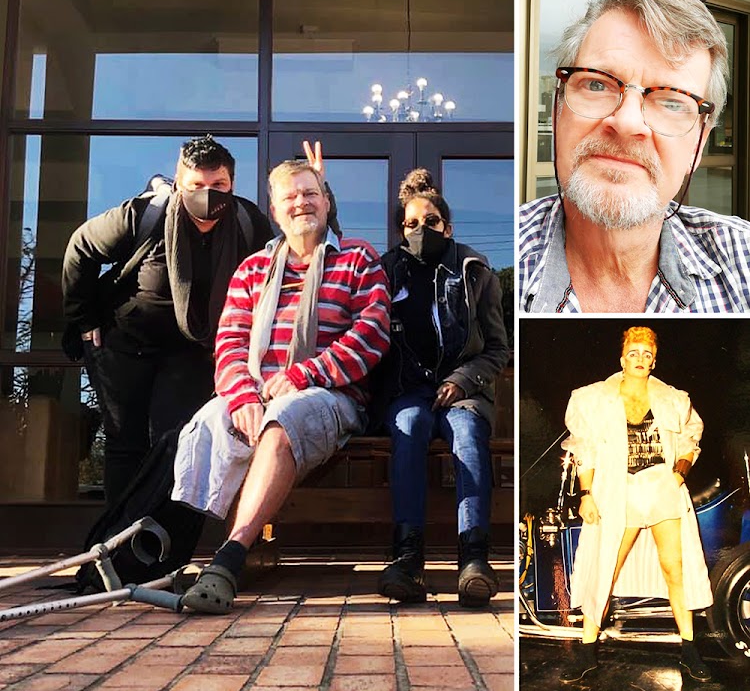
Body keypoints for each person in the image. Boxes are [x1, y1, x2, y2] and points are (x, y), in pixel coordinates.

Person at [171, 159, 390, 614]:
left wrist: (300, 375)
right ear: (275, 210)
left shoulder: (358, 259)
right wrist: (242, 396)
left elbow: (372, 333)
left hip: (330, 396)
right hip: (256, 390)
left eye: (310, 193)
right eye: (290, 197)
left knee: (283, 422)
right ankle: (183, 550)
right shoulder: (252, 269)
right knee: (207, 421)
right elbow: (229, 342)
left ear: (327, 202)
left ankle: (229, 558)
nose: (301, 203)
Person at [61, 136, 330, 504]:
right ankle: (117, 542)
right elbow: (80, 249)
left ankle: (158, 543)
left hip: (191, 352)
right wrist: (84, 316)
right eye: (196, 186)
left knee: (176, 442)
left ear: (231, 183)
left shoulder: (246, 222)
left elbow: (301, 248)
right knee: (125, 443)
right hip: (124, 345)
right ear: (179, 183)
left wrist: (315, 190)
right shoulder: (144, 216)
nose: (207, 194)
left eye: (218, 185)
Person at [518, 0, 750, 313]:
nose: (627, 123)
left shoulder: (742, 258)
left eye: (672, 101)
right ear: (557, 112)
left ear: (699, 144)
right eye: (597, 84)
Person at [375, 169, 509, 607]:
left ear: (446, 227)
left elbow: (496, 349)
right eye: (411, 224)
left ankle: (473, 559)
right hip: (409, 389)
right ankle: (408, 561)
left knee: (469, 438)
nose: (420, 230)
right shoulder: (386, 271)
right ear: (401, 230)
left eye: (429, 222)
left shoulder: (474, 271)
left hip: (464, 389)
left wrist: (461, 380)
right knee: (409, 427)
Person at [560, 326, 712, 683]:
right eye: (634, 353)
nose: (640, 359)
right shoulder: (595, 399)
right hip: (619, 490)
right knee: (606, 568)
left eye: (647, 354)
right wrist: (586, 494)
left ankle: (690, 651)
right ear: (622, 359)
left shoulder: (673, 399)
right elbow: (585, 449)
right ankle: (587, 651)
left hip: (660, 487)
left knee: (675, 568)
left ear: (654, 361)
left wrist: (677, 476)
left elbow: (691, 439)